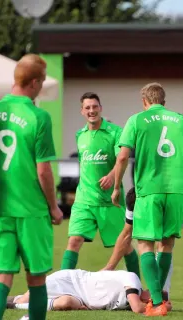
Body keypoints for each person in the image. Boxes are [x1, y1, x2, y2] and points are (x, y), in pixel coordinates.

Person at [0, 54, 63, 320]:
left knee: (2, 278)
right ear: (36, 82)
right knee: (36, 279)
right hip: (31, 210)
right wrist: (53, 207)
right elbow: (43, 171)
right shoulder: (39, 117)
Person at [111, 82, 183, 317]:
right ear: (164, 101)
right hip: (177, 190)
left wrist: (117, 188)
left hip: (149, 189)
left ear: (144, 102)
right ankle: (159, 298)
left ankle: (157, 303)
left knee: (145, 244)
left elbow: (122, 157)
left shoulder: (136, 120)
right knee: (167, 244)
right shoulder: (181, 120)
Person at [105, 171, 183, 312]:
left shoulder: (173, 180)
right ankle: (162, 295)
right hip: (169, 197)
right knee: (161, 243)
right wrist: (109, 268)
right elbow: (126, 234)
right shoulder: (133, 200)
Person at [61, 92, 139, 278]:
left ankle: (137, 286)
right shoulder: (80, 135)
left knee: (125, 245)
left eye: (95, 106)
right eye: (87, 108)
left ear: (100, 108)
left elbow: (122, 158)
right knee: (74, 241)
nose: (91, 111)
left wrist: (112, 176)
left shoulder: (115, 132)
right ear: (82, 111)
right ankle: (61, 286)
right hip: (84, 200)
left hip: (110, 202)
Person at [6, 269, 147, 313]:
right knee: (27, 297)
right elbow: (138, 308)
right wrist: (160, 308)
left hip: (82, 300)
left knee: (65, 303)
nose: (151, 301)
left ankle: (14, 305)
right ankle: (11, 301)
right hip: (73, 281)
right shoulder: (133, 279)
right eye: (153, 298)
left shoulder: (130, 300)